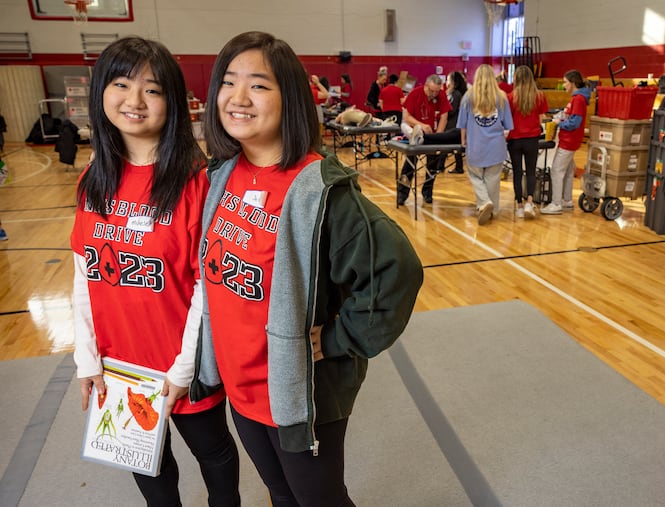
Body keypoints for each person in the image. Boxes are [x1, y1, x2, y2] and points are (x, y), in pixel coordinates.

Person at [192, 31, 423, 506]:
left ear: (290, 98)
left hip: (297, 391)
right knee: (281, 492)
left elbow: (396, 272)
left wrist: (337, 340)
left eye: (258, 85)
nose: (238, 98)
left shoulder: (322, 190)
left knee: (320, 500)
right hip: (242, 385)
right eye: (228, 82)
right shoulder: (221, 175)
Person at [70, 36, 241, 506]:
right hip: (119, 366)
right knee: (150, 470)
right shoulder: (93, 179)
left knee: (214, 456)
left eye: (152, 89)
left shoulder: (195, 179)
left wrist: (184, 367)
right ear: (101, 91)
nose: (134, 101)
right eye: (121, 84)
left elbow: (207, 285)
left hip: (180, 365)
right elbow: (84, 272)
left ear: (172, 101)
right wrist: (87, 358)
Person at [456, 64, 514, 225]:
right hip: (496, 145)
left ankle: (483, 203)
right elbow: (508, 124)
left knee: (475, 176)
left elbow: (463, 124)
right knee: (493, 179)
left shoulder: (468, 97)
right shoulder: (502, 97)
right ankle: (492, 210)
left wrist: (463, 141)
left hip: (476, 144)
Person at [396, 74, 454, 206]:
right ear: (426, 85)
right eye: (431, 91)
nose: (434, 94)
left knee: (432, 166)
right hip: (415, 131)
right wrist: (421, 126)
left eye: (436, 91)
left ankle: (427, 192)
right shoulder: (415, 94)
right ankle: (402, 193)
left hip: (431, 134)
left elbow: (444, 117)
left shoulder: (441, 95)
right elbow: (407, 117)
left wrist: (438, 136)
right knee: (409, 165)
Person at [541, 69, 591, 215]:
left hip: (569, 141)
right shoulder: (577, 98)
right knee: (568, 170)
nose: (564, 86)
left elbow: (575, 123)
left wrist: (559, 123)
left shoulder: (579, 99)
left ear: (573, 83)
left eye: (565, 82)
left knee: (557, 170)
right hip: (570, 140)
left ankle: (556, 203)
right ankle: (567, 200)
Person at [507, 65, 548, 219]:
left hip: (515, 139)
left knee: (517, 172)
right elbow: (541, 118)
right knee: (531, 171)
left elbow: (507, 119)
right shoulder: (539, 96)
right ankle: (530, 203)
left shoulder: (511, 97)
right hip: (532, 138)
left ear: (516, 78)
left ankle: (518, 205)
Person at [444, 71, 468, 174]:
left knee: (445, 146)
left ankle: (440, 166)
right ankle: (457, 167)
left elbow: (451, 109)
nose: (446, 82)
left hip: (453, 124)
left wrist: (443, 112)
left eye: (448, 79)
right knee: (452, 148)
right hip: (455, 123)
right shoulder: (457, 93)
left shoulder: (455, 94)